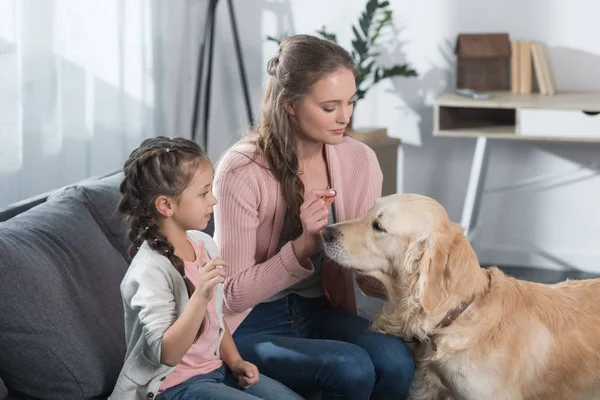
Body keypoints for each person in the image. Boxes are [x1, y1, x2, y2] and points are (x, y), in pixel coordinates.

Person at [213, 34, 415, 400]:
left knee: (398, 362)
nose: (345, 117)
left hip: (318, 309)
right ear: (290, 104)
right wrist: (302, 247)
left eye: (350, 102)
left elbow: (364, 273)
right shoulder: (241, 170)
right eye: (330, 106)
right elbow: (232, 294)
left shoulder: (360, 160)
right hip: (249, 322)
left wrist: (410, 279)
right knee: (350, 367)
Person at [109, 137, 302, 400]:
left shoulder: (204, 244)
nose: (213, 200)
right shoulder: (149, 271)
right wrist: (199, 296)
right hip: (172, 388)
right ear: (166, 205)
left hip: (216, 370)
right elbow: (167, 354)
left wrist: (235, 362)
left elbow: (216, 319)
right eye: (203, 193)